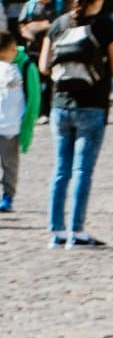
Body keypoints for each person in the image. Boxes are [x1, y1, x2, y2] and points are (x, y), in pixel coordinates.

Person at [40, 0, 113, 248]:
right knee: (82, 171)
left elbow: (44, 65)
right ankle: (76, 232)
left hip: (60, 106)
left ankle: (56, 232)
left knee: (60, 170)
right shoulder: (106, 26)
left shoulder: (58, 25)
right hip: (92, 105)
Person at [0, 26, 41, 214]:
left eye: (3, 56)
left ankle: (7, 195)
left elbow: (33, 98)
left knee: (10, 163)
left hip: (12, 126)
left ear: (13, 49)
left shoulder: (25, 66)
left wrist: (28, 127)